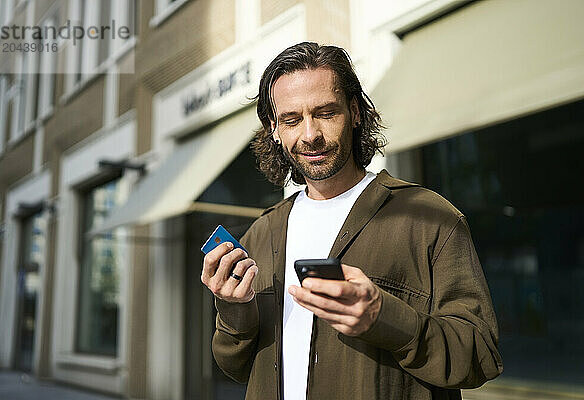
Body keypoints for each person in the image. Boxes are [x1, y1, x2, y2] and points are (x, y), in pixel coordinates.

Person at [201, 42, 502, 400]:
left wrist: (385, 317)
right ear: (275, 129)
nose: (310, 134)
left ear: (355, 112)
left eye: (326, 113)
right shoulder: (262, 233)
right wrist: (235, 308)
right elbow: (234, 366)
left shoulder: (431, 218)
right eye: (292, 119)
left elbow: (481, 355)